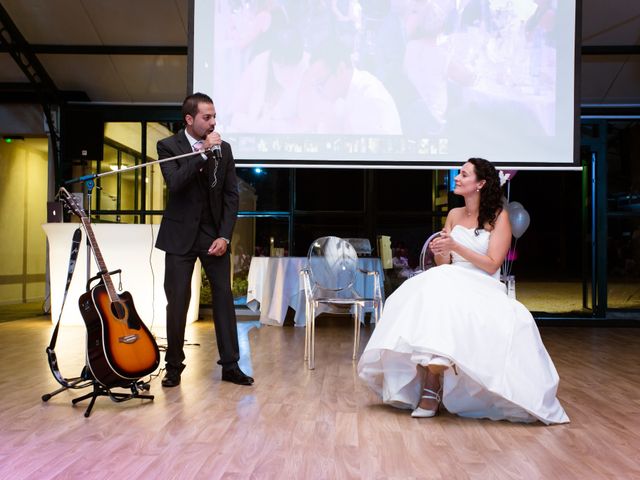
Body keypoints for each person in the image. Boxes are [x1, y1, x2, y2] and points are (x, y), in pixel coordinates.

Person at [358, 158, 569, 424]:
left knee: (443, 293)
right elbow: (444, 263)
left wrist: (456, 248)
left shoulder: (498, 217)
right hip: (451, 276)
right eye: (459, 173)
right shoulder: (454, 215)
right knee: (426, 290)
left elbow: (493, 263)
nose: (457, 177)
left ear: (480, 183)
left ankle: (432, 386)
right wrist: (441, 251)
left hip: (483, 283)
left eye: (464, 174)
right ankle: (432, 378)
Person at [155, 92, 254, 388]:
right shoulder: (168, 146)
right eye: (206, 117)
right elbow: (175, 183)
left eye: (214, 117)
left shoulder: (224, 149)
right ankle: (173, 366)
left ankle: (230, 366)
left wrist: (225, 234)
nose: (213, 122)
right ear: (189, 119)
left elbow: (230, 196)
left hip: (214, 236)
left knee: (224, 300)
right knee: (178, 302)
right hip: (179, 236)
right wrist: (201, 153)